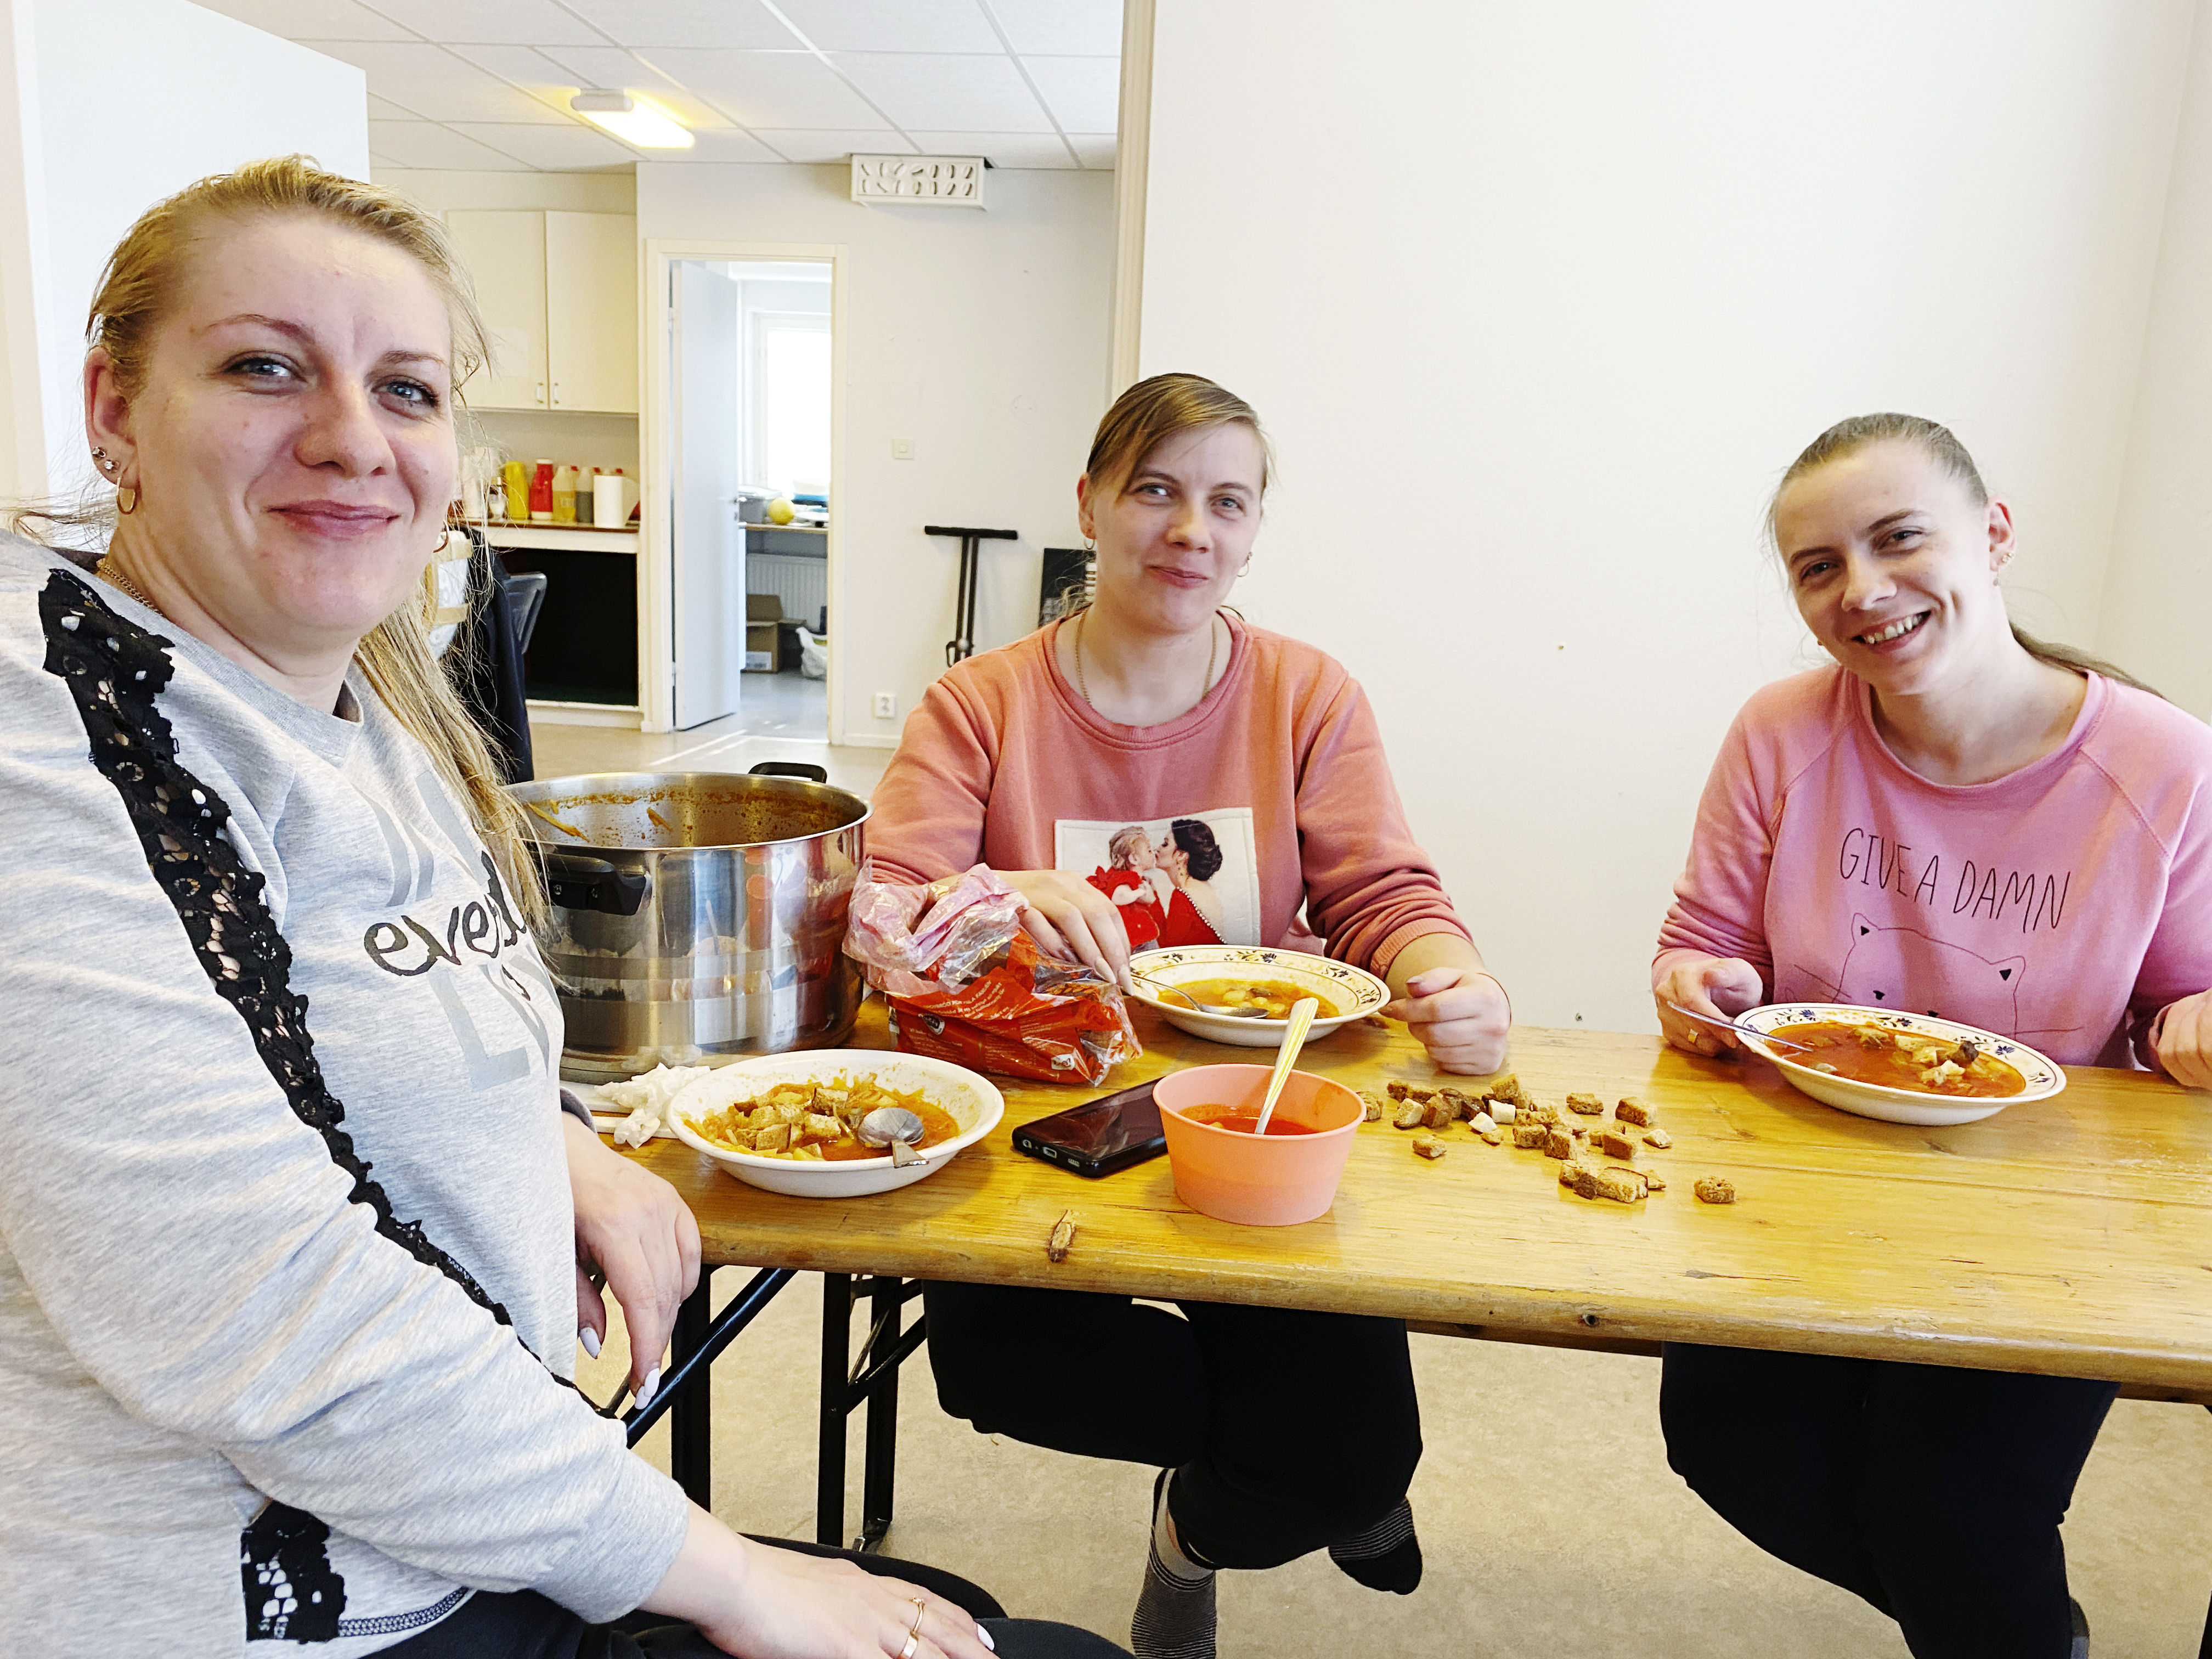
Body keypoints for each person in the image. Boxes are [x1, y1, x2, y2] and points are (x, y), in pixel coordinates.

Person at [0, 156, 1124, 1659]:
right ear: (114, 408)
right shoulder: (56, 744)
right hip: (287, 1609)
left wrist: (557, 1144)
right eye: (265, 368)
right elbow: (267, 1319)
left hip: (461, 1534)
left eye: (406, 391)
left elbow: (345, 1033)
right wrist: (730, 1576)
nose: (350, 438)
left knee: (967, 1620)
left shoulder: (352, 716)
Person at [867, 373, 1512, 1659]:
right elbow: (883, 914)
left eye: (1228, 501)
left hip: (1255, 1112)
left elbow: (1382, 890)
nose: (1188, 531)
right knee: (1011, 1377)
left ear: (1257, 528)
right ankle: (1321, 1482)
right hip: (1037, 1131)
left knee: (1358, 1438)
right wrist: (998, 893)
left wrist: (1456, 976)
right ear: (1092, 504)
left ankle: (1196, 1536)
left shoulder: (1304, 692)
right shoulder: (980, 704)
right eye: (1155, 491)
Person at [1651, 411, 2212, 1659]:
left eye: (1900, 540)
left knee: (1953, 1514)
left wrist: (2197, 1028)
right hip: (1802, 1182)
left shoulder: (2164, 765)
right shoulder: (1780, 732)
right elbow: (1702, 938)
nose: (1863, 591)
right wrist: (1698, 983)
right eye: (1818, 566)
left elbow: (2186, 1004)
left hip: (2041, 1215)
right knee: (1728, 1450)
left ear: (1995, 533)